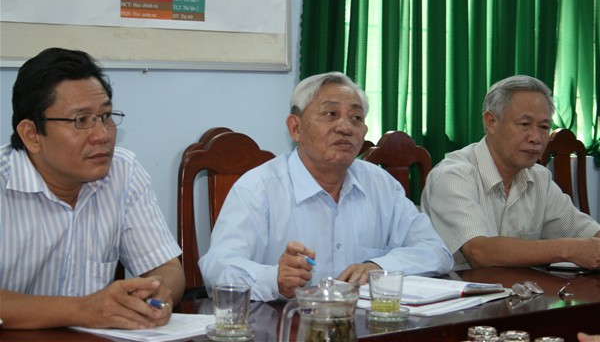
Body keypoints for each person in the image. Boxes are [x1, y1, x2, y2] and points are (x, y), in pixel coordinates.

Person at [199, 71, 453, 301]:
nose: (345, 127)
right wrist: (274, 279)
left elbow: (436, 251)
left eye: (356, 118)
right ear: (295, 128)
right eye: (331, 114)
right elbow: (217, 267)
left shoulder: (381, 184)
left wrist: (379, 267)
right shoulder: (258, 189)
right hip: (287, 324)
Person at [0, 48, 185, 329]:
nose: (102, 135)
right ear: (32, 134)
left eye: (106, 116)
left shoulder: (123, 171)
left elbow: (167, 268)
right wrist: (82, 310)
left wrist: (156, 294)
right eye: (81, 120)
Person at [421, 75, 600, 271]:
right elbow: (479, 252)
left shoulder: (540, 178)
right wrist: (567, 249)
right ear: (491, 122)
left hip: (520, 290)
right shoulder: (453, 176)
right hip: (458, 289)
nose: (536, 138)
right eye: (524, 124)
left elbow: (588, 234)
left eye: (544, 127)